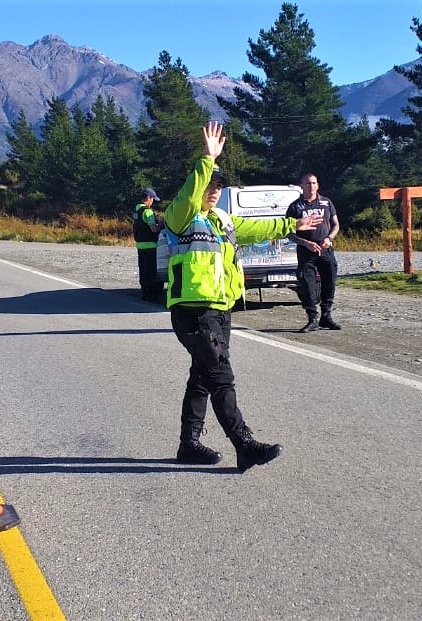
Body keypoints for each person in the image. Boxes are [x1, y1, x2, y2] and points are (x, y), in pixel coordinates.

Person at [164, 121, 323, 472]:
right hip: (193, 311)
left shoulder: (223, 220)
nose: (213, 191)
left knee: (202, 377)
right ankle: (244, 444)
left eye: (218, 186)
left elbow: (257, 227)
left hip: (221, 310)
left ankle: (189, 445)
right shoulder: (180, 216)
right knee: (221, 376)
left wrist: (291, 225)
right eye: (209, 185)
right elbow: (190, 193)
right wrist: (207, 159)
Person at [286, 173, 342, 333]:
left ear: (318, 185)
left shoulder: (326, 202)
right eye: (308, 183)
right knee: (308, 286)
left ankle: (326, 316)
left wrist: (329, 238)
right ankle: (312, 319)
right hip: (306, 251)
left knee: (329, 282)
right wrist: (306, 243)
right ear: (301, 186)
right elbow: (288, 232)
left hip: (325, 249)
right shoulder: (295, 207)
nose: (311, 186)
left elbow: (336, 225)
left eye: (314, 183)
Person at [132, 188, 164, 302]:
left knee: (143, 269)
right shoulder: (148, 212)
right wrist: (161, 224)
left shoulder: (136, 210)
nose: (153, 202)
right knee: (151, 271)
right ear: (148, 198)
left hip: (140, 245)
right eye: (152, 199)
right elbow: (153, 229)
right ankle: (152, 294)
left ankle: (145, 292)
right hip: (151, 246)